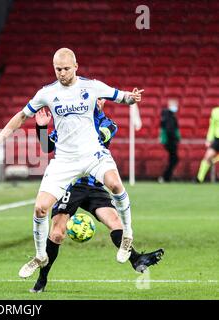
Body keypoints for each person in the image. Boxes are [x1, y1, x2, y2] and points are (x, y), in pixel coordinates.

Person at [0, 48, 143, 279]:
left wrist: (131, 97)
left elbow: (121, 96)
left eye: (66, 68)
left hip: (92, 154)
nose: (62, 73)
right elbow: (22, 116)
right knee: (40, 208)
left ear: (76, 66)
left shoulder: (91, 86)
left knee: (115, 185)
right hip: (64, 161)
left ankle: (127, 235)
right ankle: (40, 255)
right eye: (58, 69)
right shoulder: (47, 93)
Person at [31, 103, 164, 293]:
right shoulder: (68, 122)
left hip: (94, 185)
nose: (98, 102)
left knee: (116, 222)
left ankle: (136, 260)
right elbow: (47, 146)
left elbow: (102, 136)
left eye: (101, 99)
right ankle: (41, 281)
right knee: (57, 234)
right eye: (96, 99)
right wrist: (41, 127)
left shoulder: (108, 123)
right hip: (71, 184)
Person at [159, 99, 181, 182]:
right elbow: (170, 129)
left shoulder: (166, 116)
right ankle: (166, 177)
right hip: (170, 141)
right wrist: (175, 138)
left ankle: (167, 177)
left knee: (173, 159)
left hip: (169, 141)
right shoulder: (169, 116)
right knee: (174, 159)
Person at [196, 106, 219, 183]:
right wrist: (209, 139)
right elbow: (212, 126)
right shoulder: (215, 111)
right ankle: (199, 179)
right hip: (217, 139)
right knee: (207, 157)